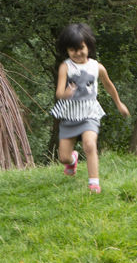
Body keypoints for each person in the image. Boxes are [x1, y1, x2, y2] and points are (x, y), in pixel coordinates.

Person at [50, 23, 130, 193]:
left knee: (89, 144)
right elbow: (59, 93)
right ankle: (72, 160)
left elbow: (109, 86)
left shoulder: (97, 67)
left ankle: (94, 182)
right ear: (67, 50)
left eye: (81, 48)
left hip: (89, 113)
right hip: (69, 114)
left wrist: (119, 104)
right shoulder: (65, 67)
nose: (77, 53)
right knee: (63, 157)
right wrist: (66, 93)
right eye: (72, 50)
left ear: (88, 46)